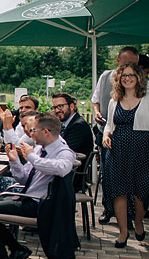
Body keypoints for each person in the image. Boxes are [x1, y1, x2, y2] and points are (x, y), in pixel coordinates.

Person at [0, 113, 76, 259]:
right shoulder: (41, 149)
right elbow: (24, 178)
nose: (30, 133)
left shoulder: (64, 151)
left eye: (34, 130)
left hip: (42, 206)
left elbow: (61, 169)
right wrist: (15, 161)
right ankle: (14, 249)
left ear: (46, 132)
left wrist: (32, 156)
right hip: (26, 197)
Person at [102, 63, 149, 247]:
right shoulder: (115, 100)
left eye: (131, 75)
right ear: (119, 80)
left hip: (142, 150)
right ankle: (123, 232)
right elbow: (108, 125)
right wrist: (106, 134)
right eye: (123, 76)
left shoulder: (147, 98)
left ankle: (138, 221)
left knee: (142, 193)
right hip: (117, 148)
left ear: (138, 77)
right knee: (118, 191)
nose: (127, 78)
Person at [92, 46, 140, 225]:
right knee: (108, 173)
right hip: (107, 132)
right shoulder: (105, 77)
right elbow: (95, 100)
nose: (131, 68)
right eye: (128, 63)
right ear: (119, 61)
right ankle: (108, 209)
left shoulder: (141, 81)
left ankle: (131, 214)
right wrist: (96, 112)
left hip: (133, 135)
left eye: (134, 64)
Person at [51, 92, 92, 190]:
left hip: (73, 178)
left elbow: (66, 151)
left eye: (60, 106)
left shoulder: (78, 126)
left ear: (72, 106)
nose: (57, 110)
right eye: (54, 107)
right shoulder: (65, 124)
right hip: (66, 174)